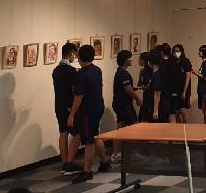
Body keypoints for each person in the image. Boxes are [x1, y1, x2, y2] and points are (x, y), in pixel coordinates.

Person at [67, 44, 110, 184]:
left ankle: (87, 171)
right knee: (95, 135)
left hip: (87, 111)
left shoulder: (81, 75)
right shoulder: (97, 70)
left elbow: (78, 96)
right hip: (98, 107)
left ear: (80, 57)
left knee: (88, 141)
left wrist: (72, 115)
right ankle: (104, 162)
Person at [52, 42, 81, 174]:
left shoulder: (56, 70)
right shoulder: (71, 71)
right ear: (72, 54)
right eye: (75, 54)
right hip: (69, 107)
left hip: (59, 105)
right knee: (78, 134)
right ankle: (69, 163)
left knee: (63, 133)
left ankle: (64, 162)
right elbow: (75, 91)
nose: (75, 57)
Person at [111, 50, 142, 163]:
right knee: (134, 126)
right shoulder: (123, 74)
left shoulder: (119, 72)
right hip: (124, 105)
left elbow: (127, 88)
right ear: (125, 60)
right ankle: (134, 153)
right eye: (130, 58)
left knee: (120, 128)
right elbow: (128, 90)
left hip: (118, 103)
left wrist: (133, 89)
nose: (131, 60)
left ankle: (115, 154)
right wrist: (138, 99)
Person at [191, 44, 206, 124]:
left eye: (201, 51)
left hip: (205, 91)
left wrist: (195, 73)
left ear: (204, 52)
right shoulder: (204, 63)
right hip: (203, 90)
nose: (199, 52)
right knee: (204, 110)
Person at [172, 44, 193, 123]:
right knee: (176, 111)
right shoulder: (173, 62)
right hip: (175, 90)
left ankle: (187, 128)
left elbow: (188, 76)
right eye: (174, 51)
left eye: (178, 51)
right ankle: (179, 128)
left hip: (183, 89)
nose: (176, 53)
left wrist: (185, 90)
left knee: (183, 110)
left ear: (181, 51)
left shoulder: (186, 61)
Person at [147, 51, 165, 122]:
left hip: (159, 107)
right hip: (158, 105)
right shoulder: (156, 73)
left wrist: (155, 111)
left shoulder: (157, 75)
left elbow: (157, 93)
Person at [137, 51, 153, 122]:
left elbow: (151, 85)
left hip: (150, 97)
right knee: (141, 118)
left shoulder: (150, 70)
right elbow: (139, 84)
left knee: (145, 119)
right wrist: (140, 75)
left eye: (139, 59)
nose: (138, 60)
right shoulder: (143, 70)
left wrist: (145, 87)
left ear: (144, 60)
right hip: (145, 96)